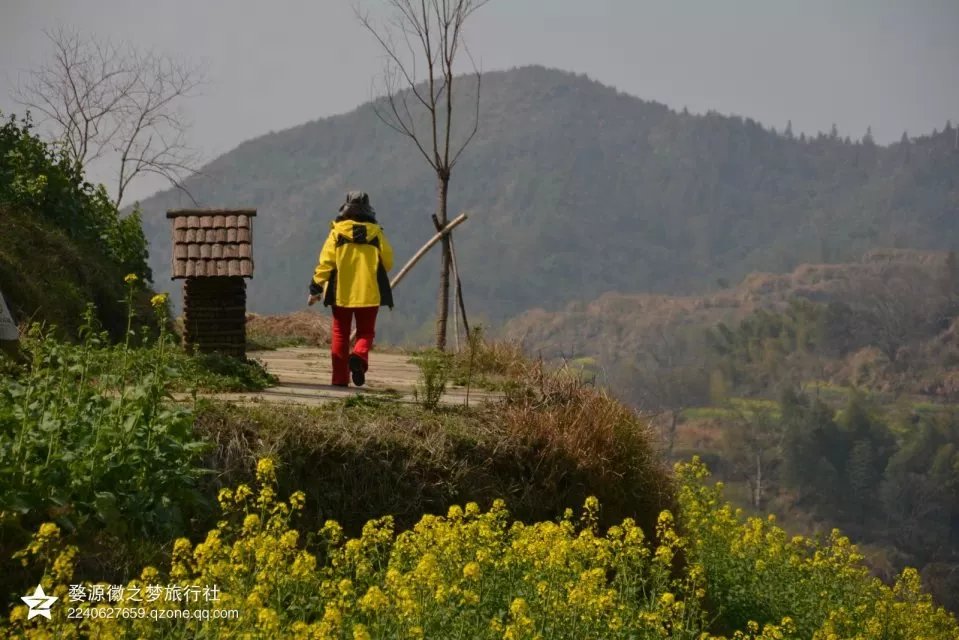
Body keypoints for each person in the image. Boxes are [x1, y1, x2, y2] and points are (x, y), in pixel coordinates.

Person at [308, 191, 394, 387]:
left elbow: (326, 263)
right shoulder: (376, 234)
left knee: (340, 334)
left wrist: (316, 288)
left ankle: (339, 379)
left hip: (341, 293)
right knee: (365, 333)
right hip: (369, 292)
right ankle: (359, 356)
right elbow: (388, 262)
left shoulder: (337, 233)